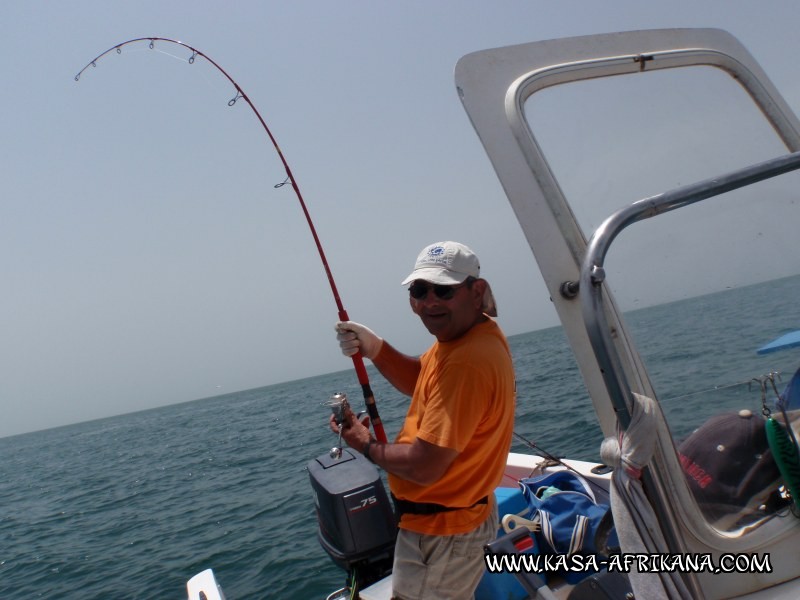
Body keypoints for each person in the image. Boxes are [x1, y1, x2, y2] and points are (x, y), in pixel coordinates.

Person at [330, 241, 515, 600]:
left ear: (476, 292)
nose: (430, 301)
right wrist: (375, 347)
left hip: (445, 533)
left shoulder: (468, 359)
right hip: (438, 525)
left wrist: (365, 444)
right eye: (419, 290)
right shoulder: (463, 338)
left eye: (444, 290)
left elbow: (425, 466)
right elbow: (421, 380)